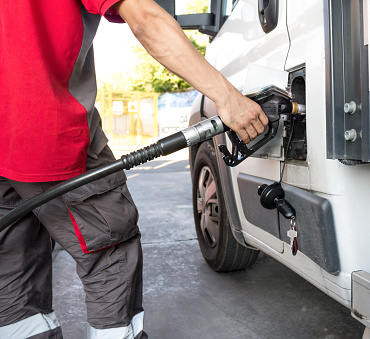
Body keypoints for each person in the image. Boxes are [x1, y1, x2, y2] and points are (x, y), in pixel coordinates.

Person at [0, 0, 268, 337]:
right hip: (41, 124)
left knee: (11, 261)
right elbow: (144, 17)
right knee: (108, 246)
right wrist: (228, 98)